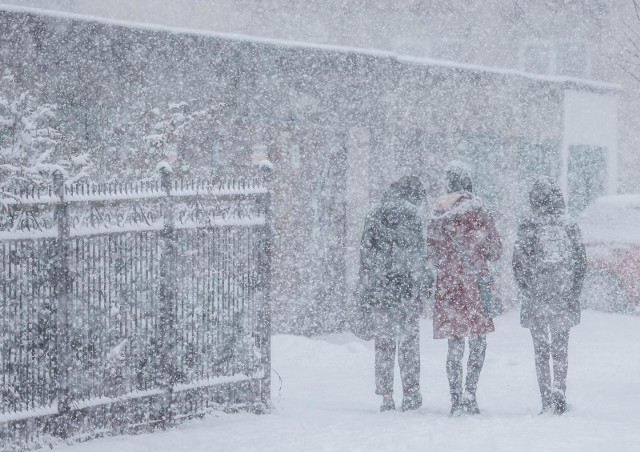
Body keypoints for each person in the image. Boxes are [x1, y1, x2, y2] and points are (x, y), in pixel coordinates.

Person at [427, 161, 502, 416]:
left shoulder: (437, 213)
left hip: (449, 284)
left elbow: (432, 253)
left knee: (454, 343)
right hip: (474, 283)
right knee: (478, 340)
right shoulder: (479, 211)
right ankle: (471, 394)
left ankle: (455, 398)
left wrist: (449, 264)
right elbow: (495, 251)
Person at [512, 177, 586, 415]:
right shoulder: (569, 224)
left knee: (541, 350)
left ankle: (546, 400)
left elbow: (518, 264)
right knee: (560, 348)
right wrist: (573, 290)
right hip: (563, 295)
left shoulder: (529, 224)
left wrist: (528, 289)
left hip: (538, 295)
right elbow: (581, 262)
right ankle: (560, 393)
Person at [359, 175, 433, 412]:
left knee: (384, 343)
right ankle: (410, 392)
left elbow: (365, 253)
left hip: (381, 289)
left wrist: (370, 281)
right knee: (409, 343)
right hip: (406, 290)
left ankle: (387, 396)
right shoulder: (413, 215)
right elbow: (419, 255)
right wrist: (422, 285)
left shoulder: (374, 213)